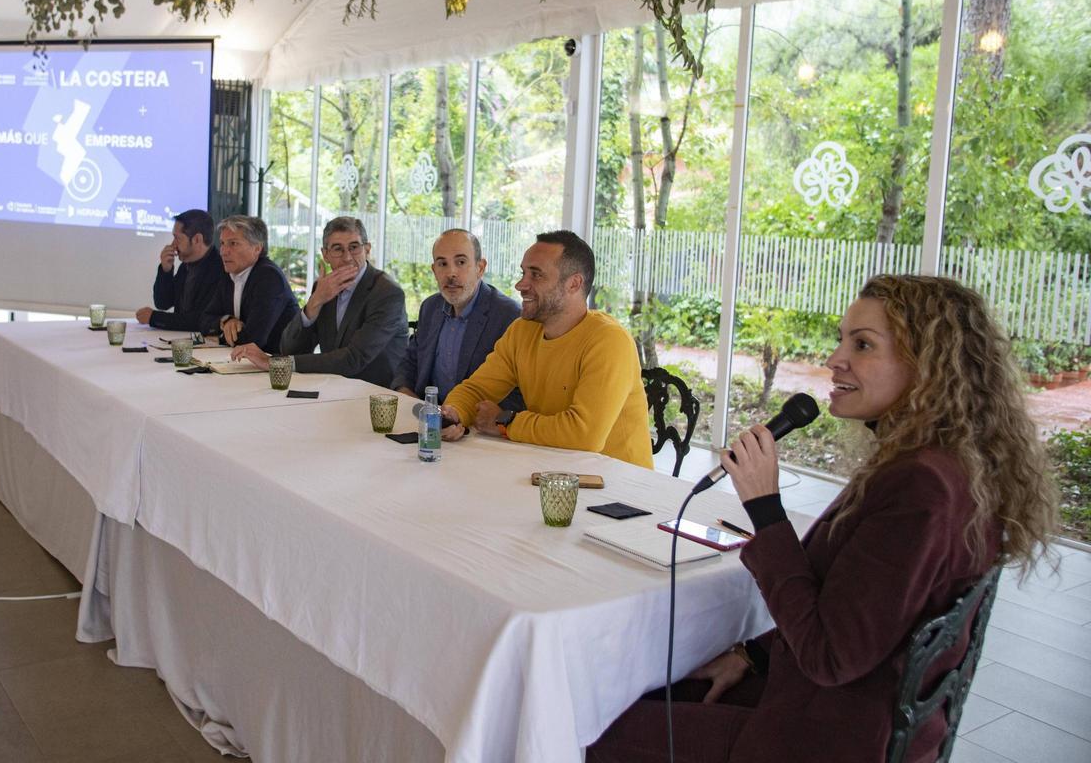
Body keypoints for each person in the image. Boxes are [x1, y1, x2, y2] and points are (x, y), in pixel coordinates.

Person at [587, 275, 1059, 763]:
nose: (835, 359)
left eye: (862, 344)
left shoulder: (922, 486)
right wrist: (751, 655)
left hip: (825, 736)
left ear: (927, 365)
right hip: (836, 709)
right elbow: (857, 608)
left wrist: (765, 508)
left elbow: (830, 655)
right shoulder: (945, 465)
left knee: (587, 728)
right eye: (841, 339)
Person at [439, 230, 653, 469]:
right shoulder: (522, 331)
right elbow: (477, 389)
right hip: (551, 470)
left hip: (619, 488)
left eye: (536, 275)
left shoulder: (610, 341)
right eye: (523, 273)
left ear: (574, 283)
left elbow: (584, 435)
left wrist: (504, 422)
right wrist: (454, 413)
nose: (521, 284)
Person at [231, 216, 408, 388]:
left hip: (375, 393)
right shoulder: (324, 287)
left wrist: (276, 363)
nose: (347, 257)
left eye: (354, 247)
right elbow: (290, 349)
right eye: (338, 249)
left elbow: (353, 359)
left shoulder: (387, 293)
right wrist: (315, 302)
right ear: (325, 255)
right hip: (331, 388)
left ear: (367, 249)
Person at [391, 228, 523, 409]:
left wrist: (463, 417)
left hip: (476, 426)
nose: (451, 273)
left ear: (480, 267)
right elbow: (410, 362)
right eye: (442, 264)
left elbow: (517, 390)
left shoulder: (509, 315)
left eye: (461, 262)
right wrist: (407, 395)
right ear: (434, 270)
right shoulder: (430, 308)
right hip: (427, 417)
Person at [198, 215, 300, 354]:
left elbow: (253, 340)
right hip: (245, 363)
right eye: (222, 243)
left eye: (233, 243)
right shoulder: (229, 274)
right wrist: (226, 321)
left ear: (257, 248)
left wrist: (219, 336)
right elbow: (204, 321)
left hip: (279, 367)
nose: (223, 251)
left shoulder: (269, 277)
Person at [135, 208, 225, 331]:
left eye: (177, 238)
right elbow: (163, 303)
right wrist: (166, 270)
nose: (173, 244)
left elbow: (200, 320)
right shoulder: (186, 265)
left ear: (197, 239)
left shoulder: (219, 269)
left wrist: (154, 318)